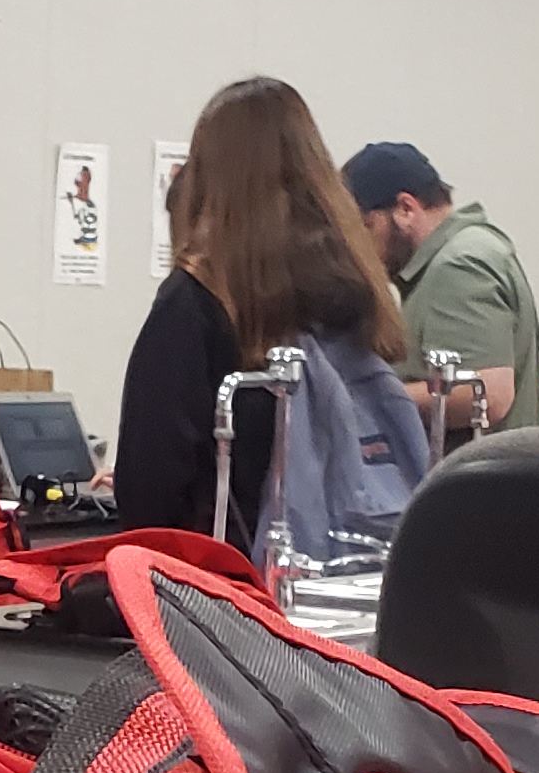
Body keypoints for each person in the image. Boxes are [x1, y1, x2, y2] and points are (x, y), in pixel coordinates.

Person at [113, 77, 406, 542]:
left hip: (235, 585)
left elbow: (151, 489)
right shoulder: (354, 292)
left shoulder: (195, 303)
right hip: (349, 570)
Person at [345, 140, 539, 430]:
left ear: (405, 209)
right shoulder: (469, 251)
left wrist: (366, 398)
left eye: (365, 228)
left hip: (476, 474)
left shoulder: (458, 265)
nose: (360, 249)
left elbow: (487, 392)